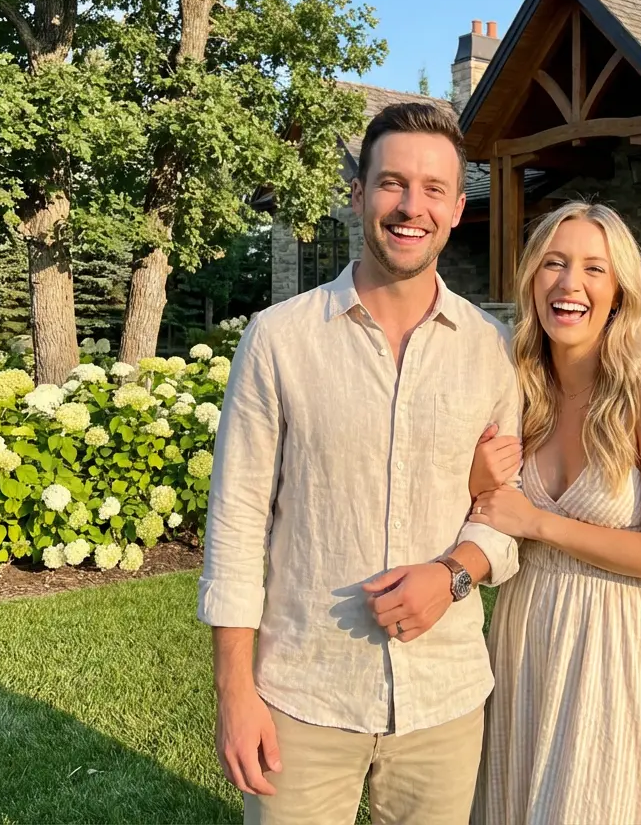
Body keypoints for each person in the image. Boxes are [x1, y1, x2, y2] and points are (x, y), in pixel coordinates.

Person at [198, 102, 523, 825]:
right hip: (304, 694)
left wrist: (454, 573)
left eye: (434, 189)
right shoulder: (279, 340)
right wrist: (234, 691)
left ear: (457, 208)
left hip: (444, 697)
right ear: (358, 194)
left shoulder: (491, 350)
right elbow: (237, 523)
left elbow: (510, 510)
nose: (411, 207)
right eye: (392, 183)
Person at [467, 201, 641, 825]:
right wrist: (477, 481)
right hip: (524, 632)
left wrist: (539, 522)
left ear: (619, 290)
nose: (570, 284)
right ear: (531, 280)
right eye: (554, 263)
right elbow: (483, 507)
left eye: (594, 269)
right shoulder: (518, 387)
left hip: (615, 638)